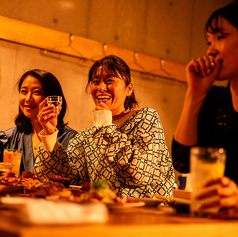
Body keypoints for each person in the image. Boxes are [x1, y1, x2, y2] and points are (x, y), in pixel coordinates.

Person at [34, 55, 174, 198]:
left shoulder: (146, 118)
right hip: (103, 213)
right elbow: (63, 178)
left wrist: (105, 126)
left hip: (146, 214)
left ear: (129, 88)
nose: (101, 88)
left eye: (109, 81)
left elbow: (139, 174)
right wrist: (50, 132)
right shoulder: (87, 136)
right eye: (95, 82)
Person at [172, 2, 238, 217]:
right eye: (209, 41)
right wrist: (195, 93)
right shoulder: (215, 99)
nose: (210, 50)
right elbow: (183, 162)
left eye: (220, 37)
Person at [0, 69, 77, 176]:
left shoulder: (71, 140)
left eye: (36, 92)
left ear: (52, 99)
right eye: (24, 92)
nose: (28, 98)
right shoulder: (9, 138)